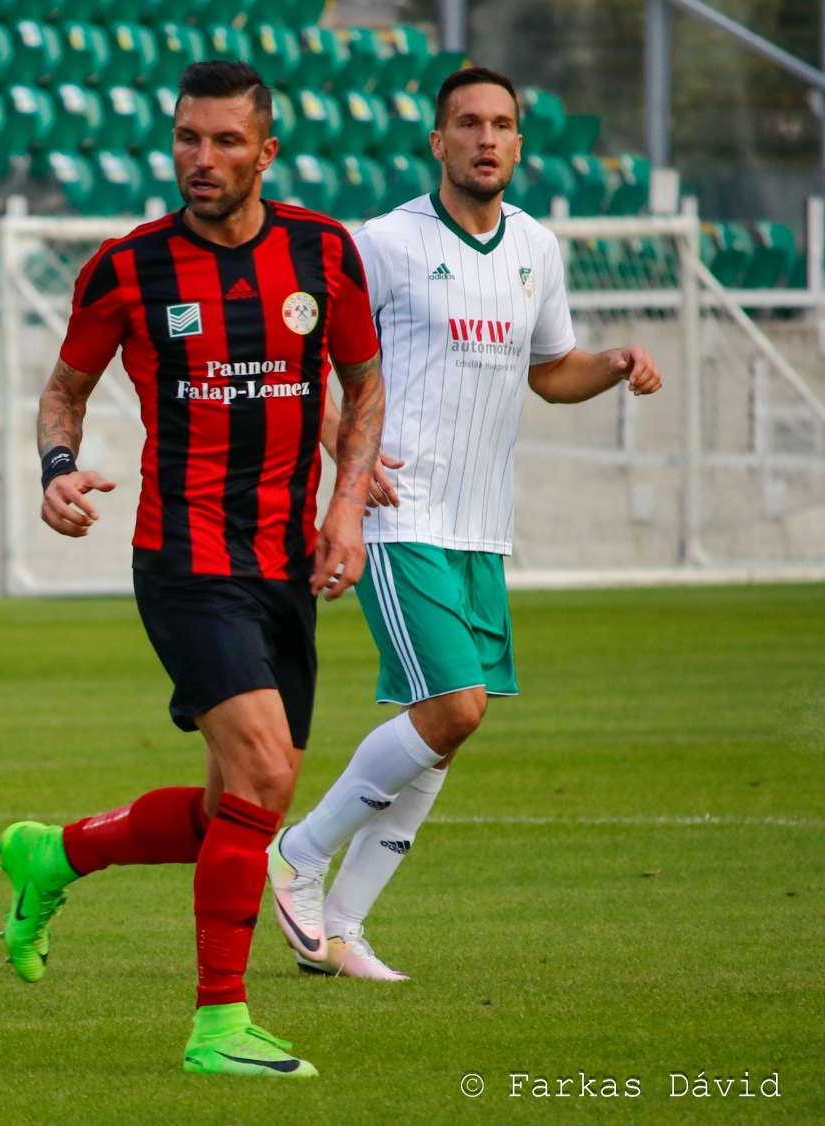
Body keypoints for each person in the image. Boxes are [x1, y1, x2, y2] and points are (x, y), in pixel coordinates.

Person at [0, 60, 384, 1077]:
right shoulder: (128, 268)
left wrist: (345, 507)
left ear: (266, 151)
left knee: (232, 811)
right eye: (186, 139)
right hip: (185, 558)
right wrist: (57, 469)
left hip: (284, 563)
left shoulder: (322, 252)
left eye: (223, 141)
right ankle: (218, 1025)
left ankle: (54, 853)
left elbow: (362, 383)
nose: (200, 159)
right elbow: (63, 392)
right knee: (266, 774)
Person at [269, 66, 663, 980]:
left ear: (519, 143)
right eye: (468, 123)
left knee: (443, 731)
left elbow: (550, 370)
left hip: (482, 525)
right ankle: (298, 852)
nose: (487, 138)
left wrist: (612, 363)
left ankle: (342, 928)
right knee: (455, 707)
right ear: (437, 141)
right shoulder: (382, 242)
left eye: (501, 124)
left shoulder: (537, 247)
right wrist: (347, 457)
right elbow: (303, 357)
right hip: (402, 513)